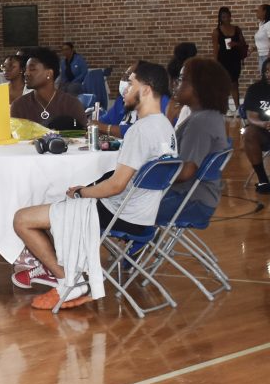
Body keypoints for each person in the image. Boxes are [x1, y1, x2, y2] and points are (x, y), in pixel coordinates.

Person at [12, 60, 177, 309]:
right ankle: (69, 270)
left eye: (130, 83)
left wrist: (82, 192)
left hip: (118, 213)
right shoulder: (166, 127)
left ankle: (69, 280)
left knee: (23, 219)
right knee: (56, 203)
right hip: (143, 215)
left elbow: (116, 186)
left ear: (145, 89)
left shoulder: (140, 131)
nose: (124, 90)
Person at [156, 58, 231, 223]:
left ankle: (138, 244)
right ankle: (140, 245)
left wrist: (147, 174)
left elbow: (185, 172)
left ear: (200, 86)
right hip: (194, 197)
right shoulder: (208, 116)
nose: (176, 83)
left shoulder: (200, 122)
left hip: (189, 201)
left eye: (182, 79)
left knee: (120, 207)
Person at [10, 46, 87, 129]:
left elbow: (83, 135)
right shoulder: (19, 106)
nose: (26, 73)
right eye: (25, 69)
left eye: (32, 69)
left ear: (49, 74)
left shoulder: (71, 104)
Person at [212, 6, 248, 115]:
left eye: (228, 16)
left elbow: (243, 44)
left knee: (234, 83)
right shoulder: (216, 31)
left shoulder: (237, 29)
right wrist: (215, 64)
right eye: (223, 17)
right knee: (224, 84)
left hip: (234, 59)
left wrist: (235, 43)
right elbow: (215, 49)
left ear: (230, 16)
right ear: (220, 18)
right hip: (223, 60)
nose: (226, 19)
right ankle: (225, 108)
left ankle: (238, 109)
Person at [243, 57, 270, 194]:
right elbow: (251, 117)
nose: (269, 74)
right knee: (249, 133)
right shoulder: (256, 89)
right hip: (264, 131)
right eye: (266, 71)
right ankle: (263, 179)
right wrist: (264, 124)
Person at [256, 4, 270, 74]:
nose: (257, 12)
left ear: (264, 12)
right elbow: (263, 42)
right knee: (264, 79)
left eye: (259, 10)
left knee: (267, 79)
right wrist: (254, 48)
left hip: (267, 56)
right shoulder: (261, 24)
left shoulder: (269, 24)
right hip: (261, 55)